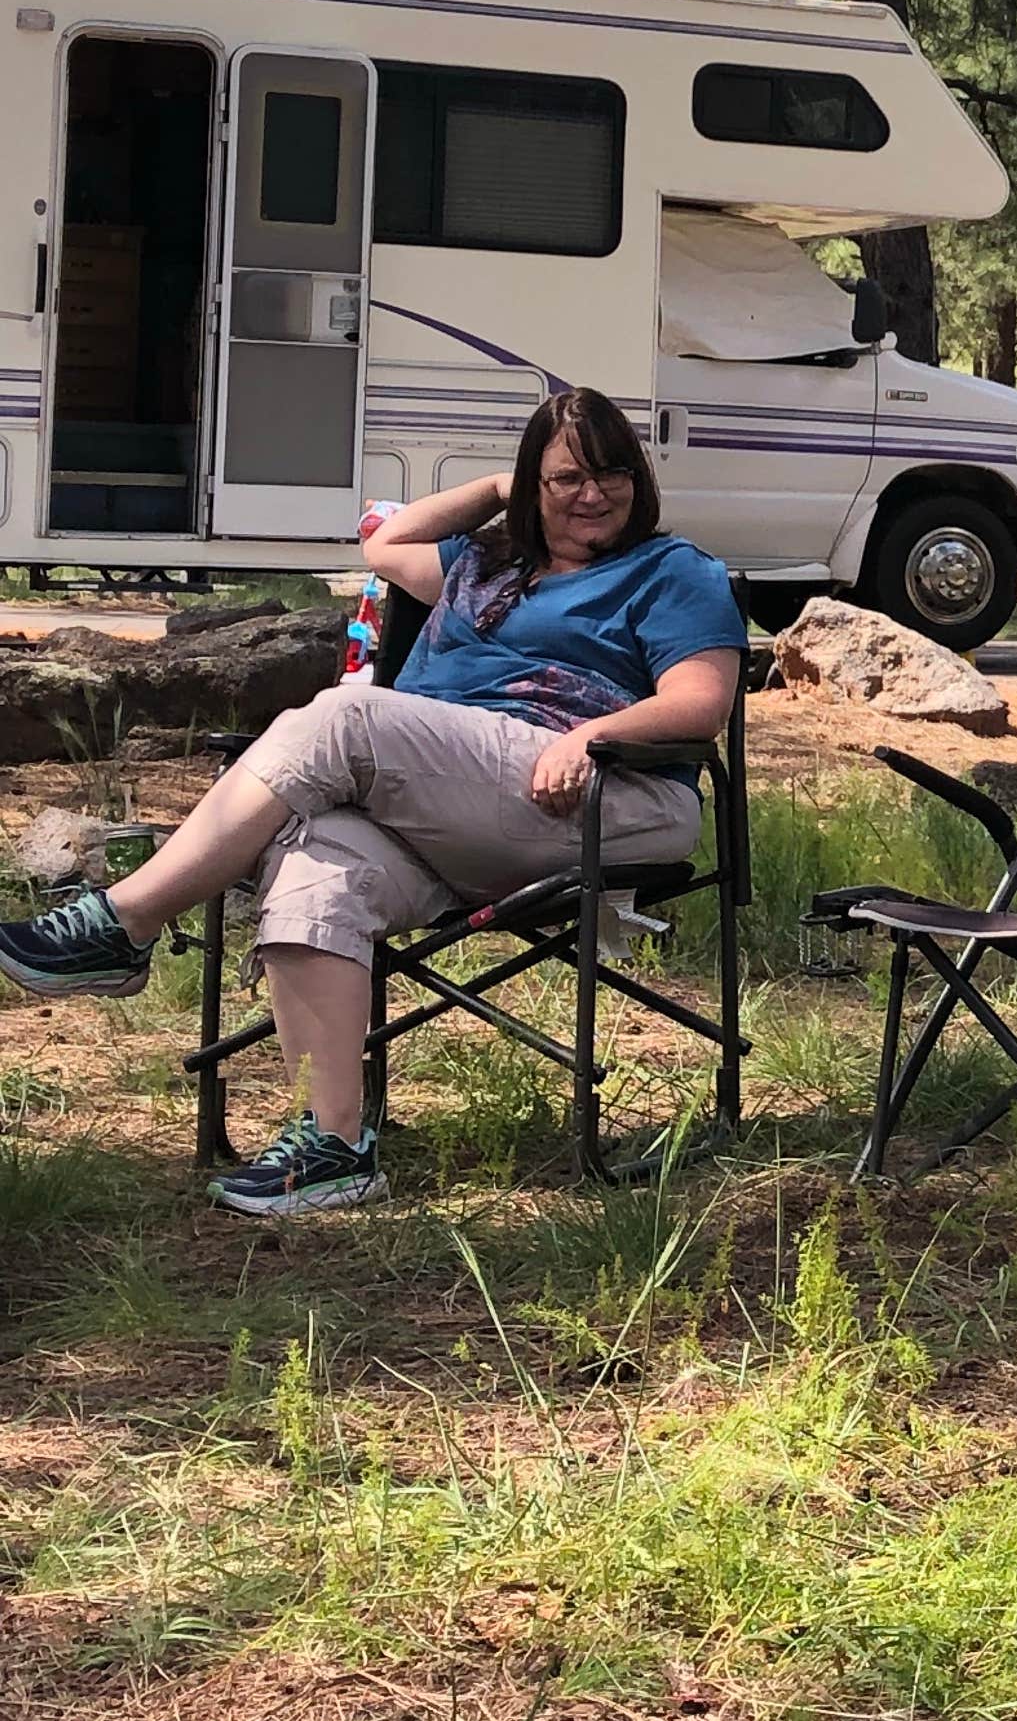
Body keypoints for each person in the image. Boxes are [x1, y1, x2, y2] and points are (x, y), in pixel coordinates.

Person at [0, 389, 742, 1218]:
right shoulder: (487, 566)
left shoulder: (671, 571)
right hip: (450, 807)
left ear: (640, 482)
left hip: (595, 796)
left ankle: (125, 922)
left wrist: (591, 734)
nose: (592, 495)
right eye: (565, 477)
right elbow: (388, 539)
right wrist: (504, 485)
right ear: (534, 485)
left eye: (611, 476)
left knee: (345, 716)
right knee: (316, 866)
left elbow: (699, 703)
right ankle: (333, 1146)